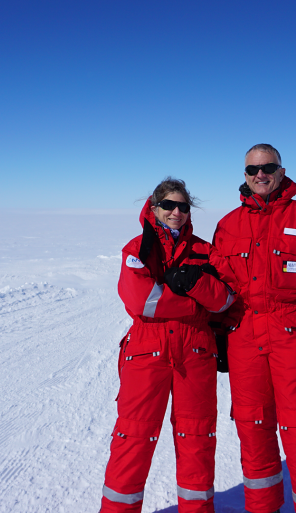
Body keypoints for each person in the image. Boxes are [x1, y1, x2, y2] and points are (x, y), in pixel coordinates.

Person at [211, 144, 296, 513]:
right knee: (253, 432)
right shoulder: (228, 225)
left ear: (281, 170)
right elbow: (221, 287)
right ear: (243, 175)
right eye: (252, 169)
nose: (260, 174)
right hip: (244, 341)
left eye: (268, 166)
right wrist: (219, 334)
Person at [101, 177, 236, 513]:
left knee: (198, 439)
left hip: (197, 351)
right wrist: (196, 303)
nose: (176, 212)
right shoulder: (138, 249)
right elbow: (141, 301)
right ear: (154, 207)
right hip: (147, 350)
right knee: (133, 438)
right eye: (169, 205)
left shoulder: (205, 251)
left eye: (183, 206)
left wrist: (198, 283)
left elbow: (227, 299)